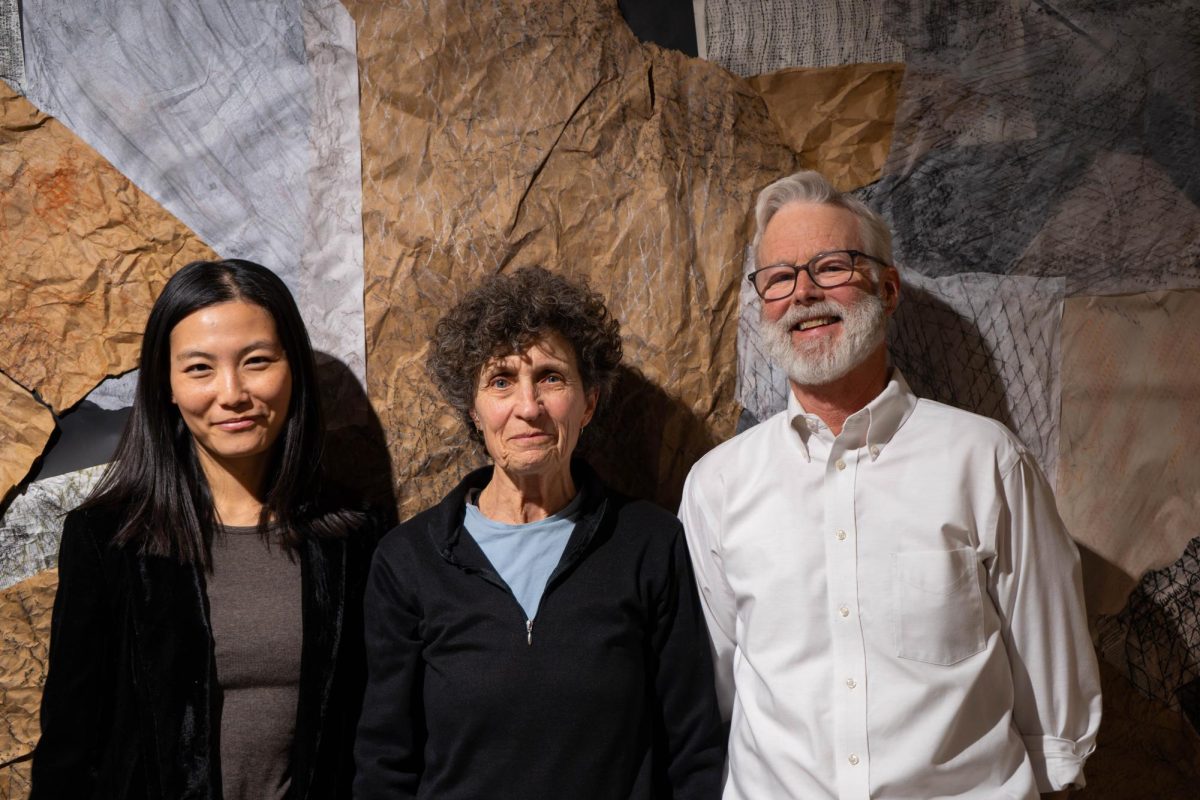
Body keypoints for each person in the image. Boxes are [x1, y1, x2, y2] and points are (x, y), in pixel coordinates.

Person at [679, 171, 1102, 800]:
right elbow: (714, 696)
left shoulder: (987, 464)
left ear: (889, 287)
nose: (804, 293)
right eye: (780, 277)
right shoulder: (716, 486)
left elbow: (1056, 721)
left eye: (832, 266)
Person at [355, 266, 725, 799]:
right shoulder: (409, 561)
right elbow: (384, 764)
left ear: (589, 401)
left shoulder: (649, 544)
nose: (528, 408)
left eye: (551, 377)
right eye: (501, 381)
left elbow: (693, 752)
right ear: (473, 410)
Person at [31, 259, 374, 800]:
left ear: (293, 370)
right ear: (166, 384)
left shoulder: (351, 540)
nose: (232, 392)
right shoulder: (108, 539)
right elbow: (69, 751)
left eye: (257, 361)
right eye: (199, 368)